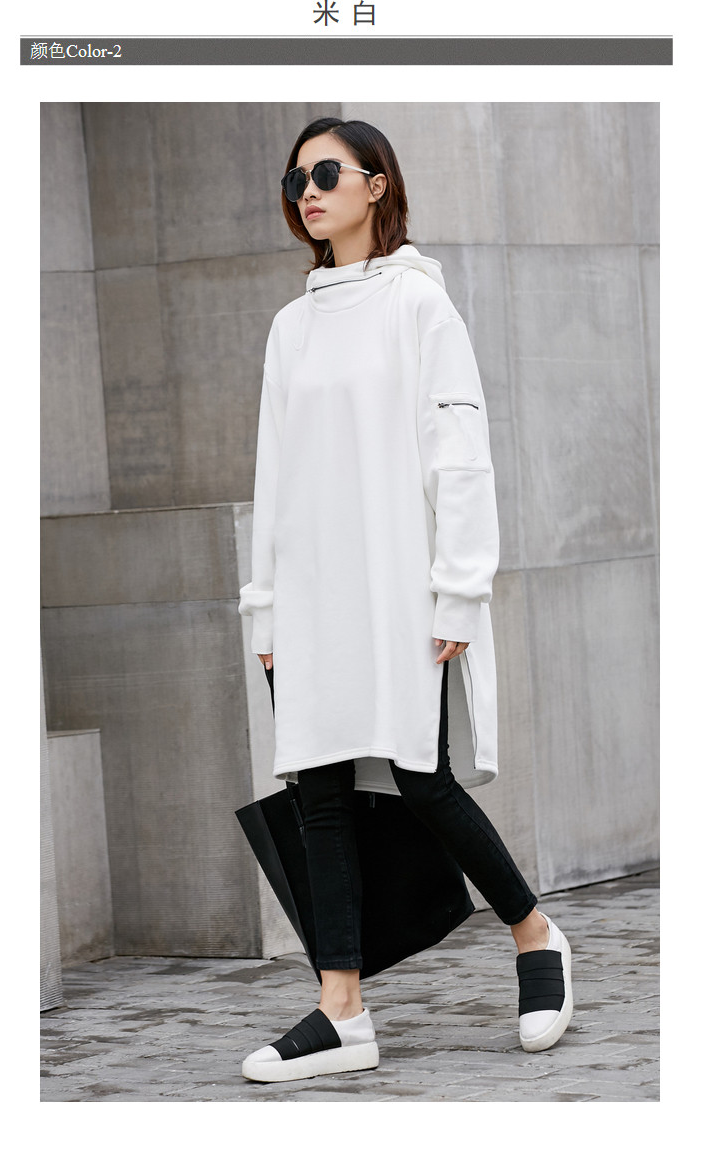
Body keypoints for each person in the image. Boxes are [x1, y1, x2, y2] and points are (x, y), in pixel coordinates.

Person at [237, 116, 573, 1083]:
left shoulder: (420, 304)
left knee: (422, 778)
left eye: (327, 173)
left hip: (396, 583)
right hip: (310, 594)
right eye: (295, 179)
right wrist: (265, 607)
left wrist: (459, 591)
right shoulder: (292, 325)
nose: (308, 191)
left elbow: (459, 458)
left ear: (376, 184)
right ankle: (342, 1009)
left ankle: (535, 933)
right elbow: (274, 473)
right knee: (320, 793)